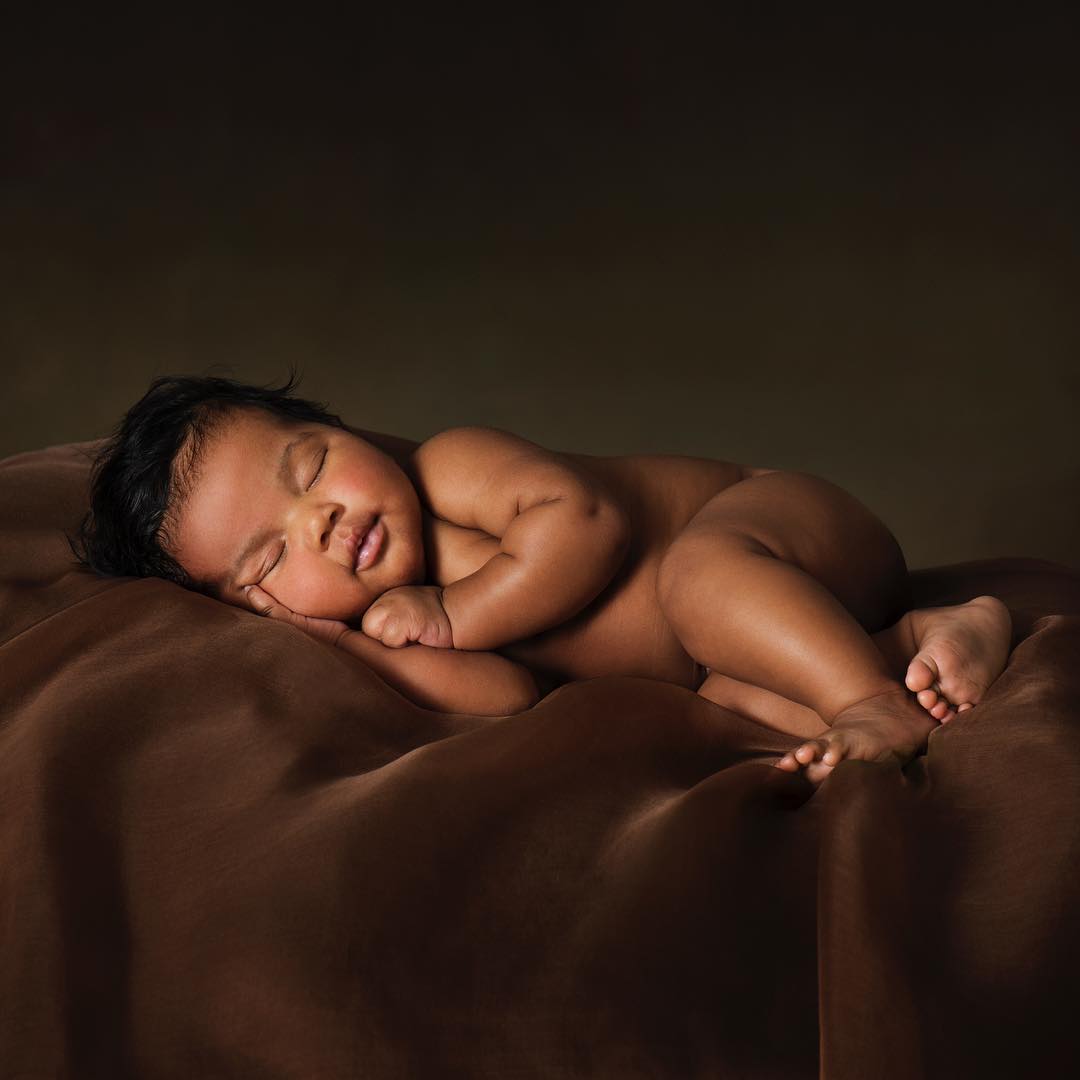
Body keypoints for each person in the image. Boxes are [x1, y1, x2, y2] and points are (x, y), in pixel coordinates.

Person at [74, 372, 1013, 785]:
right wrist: (338, 638)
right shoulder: (379, 624)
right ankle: (932, 640)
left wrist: (453, 607)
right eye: (269, 561)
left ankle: (866, 700)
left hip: (789, 529)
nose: (315, 522)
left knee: (700, 578)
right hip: (766, 636)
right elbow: (502, 697)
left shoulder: (451, 467)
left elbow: (587, 522)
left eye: (311, 467)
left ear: (342, 427)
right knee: (737, 697)